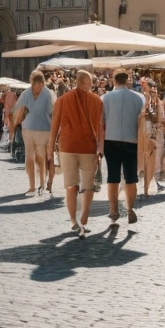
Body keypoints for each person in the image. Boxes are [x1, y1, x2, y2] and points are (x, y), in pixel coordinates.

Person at [47, 70, 103, 237]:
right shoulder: (97, 101)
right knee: (88, 186)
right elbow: (101, 127)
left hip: (68, 147)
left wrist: (50, 148)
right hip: (88, 147)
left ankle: (73, 220)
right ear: (87, 83)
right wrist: (100, 147)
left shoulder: (62, 100)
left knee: (71, 185)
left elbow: (55, 125)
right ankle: (84, 216)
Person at [100, 70, 145, 226]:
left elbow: (102, 121)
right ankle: (130, 208)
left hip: (110, 139)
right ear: (128, 80)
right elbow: (141, 121)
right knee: (131, 176)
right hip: (131, 139)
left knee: (113, 176)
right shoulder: (139, 98)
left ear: (114, 80)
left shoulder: (105, 98)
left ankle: (113, 210)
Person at [17, 71, 55, 195]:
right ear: (32, 83)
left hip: (43, 128)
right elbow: (17, 109)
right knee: (29, 157)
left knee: (40, 156)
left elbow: (52, 111)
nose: (39, 85)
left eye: (41, 83)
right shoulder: (25, 93)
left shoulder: (48, 94)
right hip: (28, 128)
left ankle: (42, 184)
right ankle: (32, 186)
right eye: (36, 83)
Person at [138, 81, 165, 198]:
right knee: (146, 161)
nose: (153, 93)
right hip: (145, 134)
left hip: (155, 134)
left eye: (155, 90)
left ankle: (149, 187)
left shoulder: (158, 103)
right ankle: (145, 187)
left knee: (155, 160)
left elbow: (162, 118)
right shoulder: (143, 101)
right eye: (151, 90)